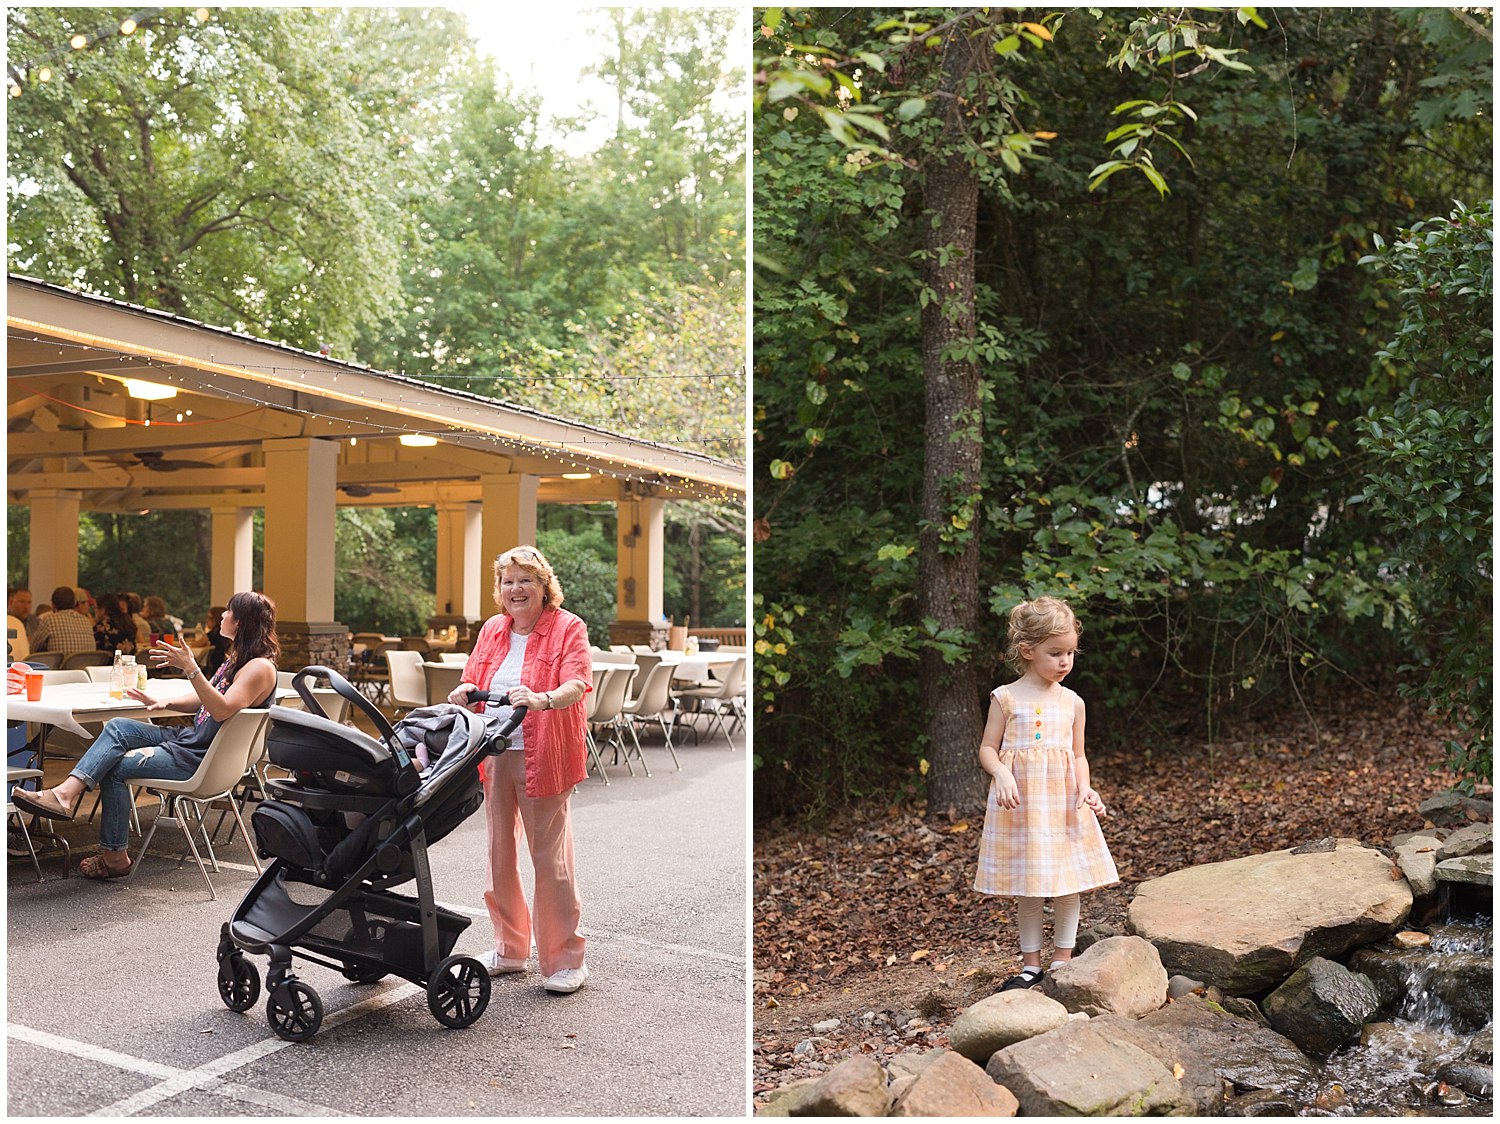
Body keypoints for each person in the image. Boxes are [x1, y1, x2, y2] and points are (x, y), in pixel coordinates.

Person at [12, 591, 279, 879]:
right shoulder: (241, 660)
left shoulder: (259, 668)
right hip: (192, 743)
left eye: (229, 612)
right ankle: (64, 795)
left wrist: (191, 669)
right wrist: (166, 703)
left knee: (115, 766)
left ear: (241, 622)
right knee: (119, 726)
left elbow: (221, 709)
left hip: (201, 758)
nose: (223, 616)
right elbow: (208, 698)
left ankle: (114, 856)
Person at [447, 545, 593, 994]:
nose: (516, 589)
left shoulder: (567, 627)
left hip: (545, 752)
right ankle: (511, 949)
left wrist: (542, 698)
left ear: (544, 586)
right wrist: (464, 691)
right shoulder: (494, 629)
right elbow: (473, 678)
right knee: (498, 852)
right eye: (508, 582)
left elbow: (578, 682)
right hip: (493, 749)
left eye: (525, 580)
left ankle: (566, 959)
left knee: (549, 858)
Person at [974, 596, 1118, 991]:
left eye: (1071, 652)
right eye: (1055, 653)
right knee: (1031, 884)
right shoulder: (1006, 697)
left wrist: (1087, 789)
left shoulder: (1073, 702)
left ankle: (1062, 959)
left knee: (1066, 882)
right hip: (1024, 807)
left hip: (1063, 804)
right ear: (1027, 651)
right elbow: (988, 747)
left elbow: (1078, 755)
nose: (1065, 661)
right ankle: (1031, 964)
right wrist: (1001, 772)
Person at [30, 586, 98, 656]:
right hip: (84, 666)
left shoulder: (49, 620)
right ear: (74, 603)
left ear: (53, 605)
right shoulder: (86, 622)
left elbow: (33, 648)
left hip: (59, 666)